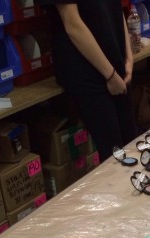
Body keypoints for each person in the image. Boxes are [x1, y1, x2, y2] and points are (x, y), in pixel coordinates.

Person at [36, 0, 138, 163]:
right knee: (114, 154)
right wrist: (110, 76)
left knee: (131, 142)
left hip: (114, 60)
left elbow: (116, 9)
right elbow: (72, 24)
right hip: (85, 67)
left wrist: (128, 57)